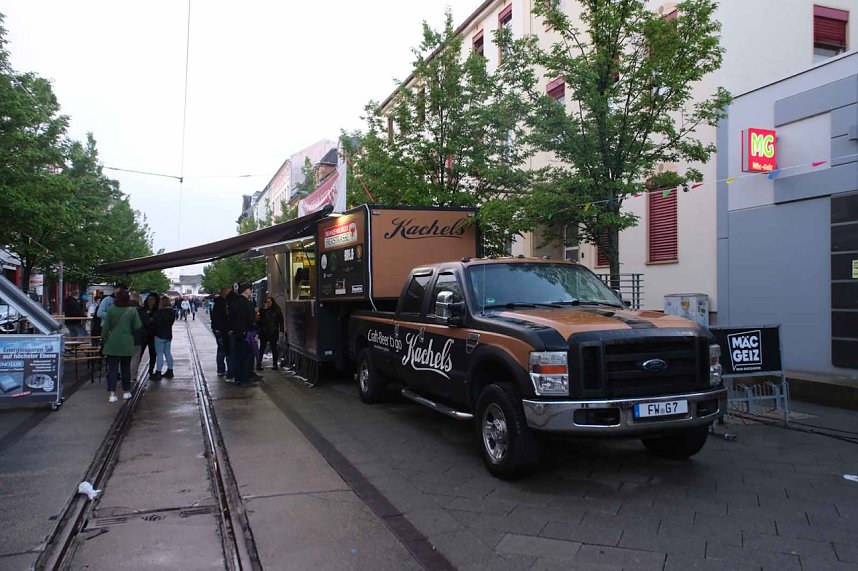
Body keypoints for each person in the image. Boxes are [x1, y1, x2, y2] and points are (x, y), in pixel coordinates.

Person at [101, 290, 143, 403]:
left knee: (113, 369)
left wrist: (103, 339)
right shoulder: (132, 311)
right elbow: (137, 326)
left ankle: (112, 394)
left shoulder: (111, 310)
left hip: (112, 343)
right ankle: (126, 392)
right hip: (126, 343)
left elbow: (105, 329)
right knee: (125, 368)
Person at [227, 283, 257, 387]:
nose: (251, 292)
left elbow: (230, 317)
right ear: (245, 291)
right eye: (250, 290)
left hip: (236, 333)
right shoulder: (248, 304)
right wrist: (254, 331)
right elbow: (251, 319)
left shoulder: (234, 302)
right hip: (246, 333)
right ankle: (245, 380)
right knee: (246, 356)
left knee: (237, 356)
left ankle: (237, 378)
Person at [151, 296, 176, 381]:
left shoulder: (159, 312)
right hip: (168, 335)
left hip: (159, 335)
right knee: (168, 353)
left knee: (160, 354)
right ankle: (170, 370)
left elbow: (155, 323)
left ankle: (158, 372)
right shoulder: (172, 312)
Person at [256, 296, 284, 371]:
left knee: (274, 348)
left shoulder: (276, 310)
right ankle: (258, 364)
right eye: (266, 302)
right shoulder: (262, 310)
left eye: (269, 302)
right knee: (262, 348)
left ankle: (275, 364)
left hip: (273, 331)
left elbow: (281, 321)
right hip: (264, 331)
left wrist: (281, 330)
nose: (268, 303)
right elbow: (258, 321)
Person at [210, 287, 233, 379]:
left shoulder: (217, 302)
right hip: (222, 329)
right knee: (224, 349)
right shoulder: (223, 303)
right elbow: (225, 316)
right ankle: (225, 370)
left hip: (217, 328)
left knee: (220, 349)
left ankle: (220, 369)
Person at [141, 293, 160, 377]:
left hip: (154, 334)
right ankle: (133, 371)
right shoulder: (143, 309)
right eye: (149, 299)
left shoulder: (158, 310)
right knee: (139, 353)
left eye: (152, 299)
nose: (150, 301)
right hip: (144, 334)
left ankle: (151, 370)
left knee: (153, 353)